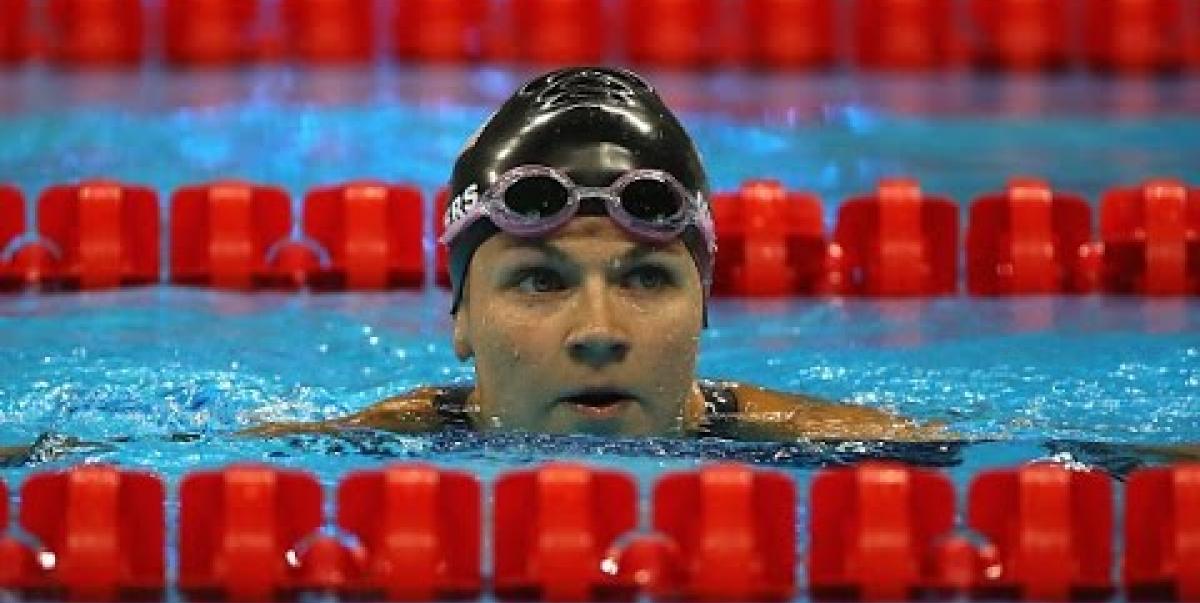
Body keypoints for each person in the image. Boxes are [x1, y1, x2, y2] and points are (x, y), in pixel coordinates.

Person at [244, 66, 949, 443]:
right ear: (460, 318)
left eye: (645, 276)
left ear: (704, 303)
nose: (600, 332)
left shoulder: (844, 446)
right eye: (540, 281)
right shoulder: (348, 452)